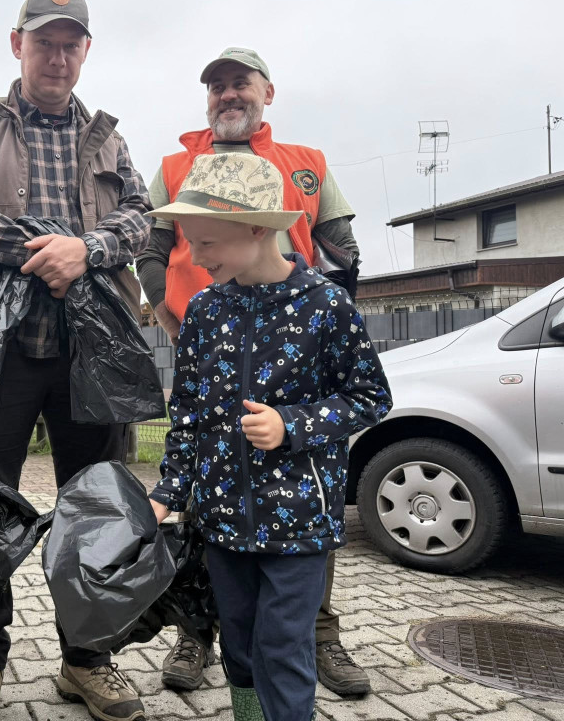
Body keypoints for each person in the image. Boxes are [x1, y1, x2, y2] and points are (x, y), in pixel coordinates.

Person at [0, 0, 152, 721]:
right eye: (43, 41)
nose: (57, 57)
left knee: (95, 506)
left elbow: (140, 218)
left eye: (71, 44)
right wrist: (46, 250)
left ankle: (86, 661)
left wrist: (85, 249)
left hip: (89, 353)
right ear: (16, 44)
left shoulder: (111, 139)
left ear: (86, 51)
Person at [135, 47, 370, 698]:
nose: (227, 94)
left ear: (267, 90)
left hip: (295, 452)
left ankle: (321, 638)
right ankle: (198, 635)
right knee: (238, 617)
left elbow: (342, 253)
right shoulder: (178, 169)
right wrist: (175, 316)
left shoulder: (306, 168)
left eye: (240, 83)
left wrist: (303, 326)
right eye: (216, 86)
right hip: (210, 380)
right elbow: (152, 252)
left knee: (284, 625)